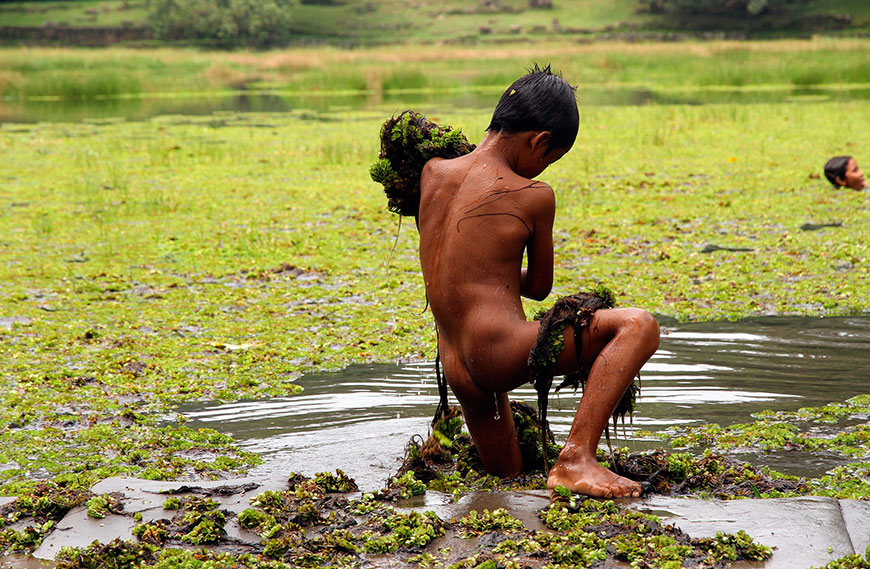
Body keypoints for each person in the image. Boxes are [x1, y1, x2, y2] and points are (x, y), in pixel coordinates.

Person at [373, 66, 659, 498]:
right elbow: (540, 286)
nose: (545, 168)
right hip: (498, 350)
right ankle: (576, 459)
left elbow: (456, 264)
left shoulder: (432, 173)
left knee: (507, 485)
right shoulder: (534, 195)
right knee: (638, 326)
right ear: (540, 141)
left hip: (457, 369)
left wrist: (492, 275)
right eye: (550, 158)